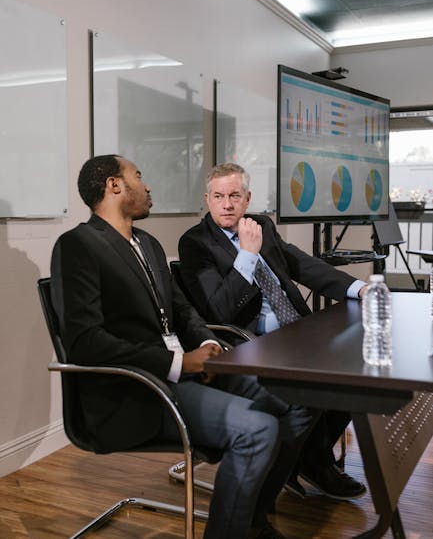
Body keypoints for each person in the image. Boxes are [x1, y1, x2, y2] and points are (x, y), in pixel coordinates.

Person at [50, 154, 326, 539]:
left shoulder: (146, 243)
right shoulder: (76, 245)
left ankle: (250, 521)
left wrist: (210, 343)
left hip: (184, 372)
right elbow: (84, 342)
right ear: (114, 186)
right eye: (139, 176)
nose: (147, 187)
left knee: (300, 400)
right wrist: (180, 362)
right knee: (258, 428)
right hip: (136, 391)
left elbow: (180, 310)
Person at [178, 162, 368, 501]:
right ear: (207, 199)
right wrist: (247, 255)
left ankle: (309, 459)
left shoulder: (261, 225)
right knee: (315, 387)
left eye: (234, 195)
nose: (227, 204)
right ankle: (313, 464)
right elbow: (219, 309)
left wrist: (358, 288)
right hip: (252, 342)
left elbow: (301, 265)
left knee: (355, 373)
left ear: (247, 198)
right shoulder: (195, 243)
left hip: (297, 330)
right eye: (218, 196)